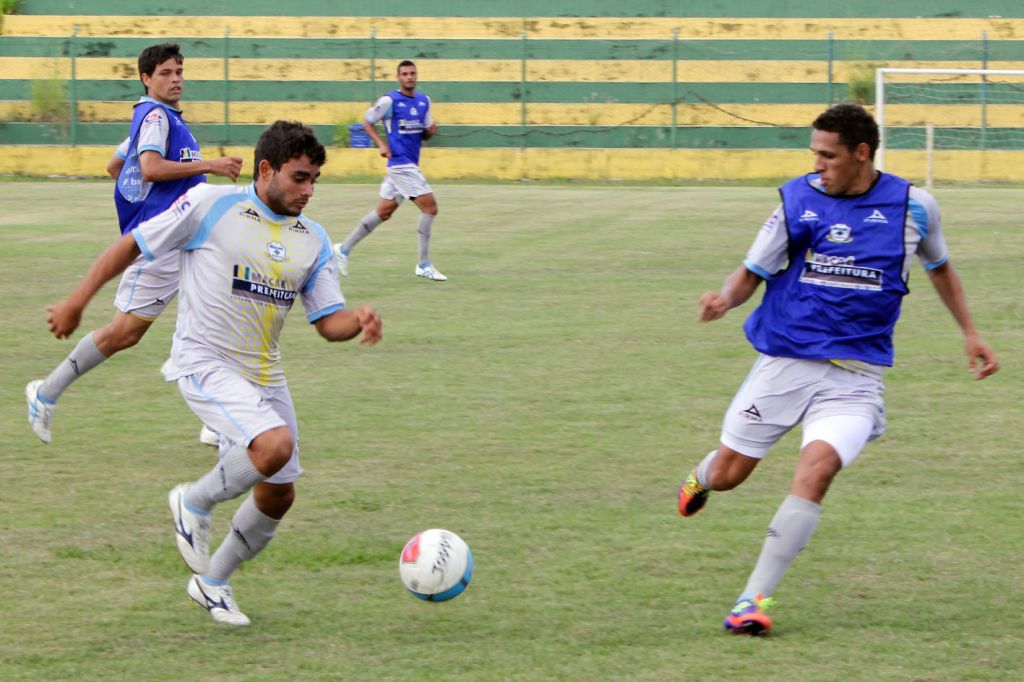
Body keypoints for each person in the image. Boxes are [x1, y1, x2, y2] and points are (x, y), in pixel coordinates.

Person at [676, 103, 999, 636]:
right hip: (785, 363)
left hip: (855, 376)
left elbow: (940, 268)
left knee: (817, 470)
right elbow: (751, 272)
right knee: (731, 475)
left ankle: (751, 600)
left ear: (862, 153)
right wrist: (724, 301)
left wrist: (970, 332)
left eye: (828, 156)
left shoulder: (914, 207)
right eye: (814, 155)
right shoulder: (796, 201)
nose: (818, 165)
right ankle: (702, 475)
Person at [44, 120, 383, 626]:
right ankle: (193, 500)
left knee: (278, 491)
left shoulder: (312, 239)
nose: (308, 190)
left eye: (314, 179)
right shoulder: (211, 206)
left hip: (264, 374)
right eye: (298, 178)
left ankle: (213, 581)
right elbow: (133, 244)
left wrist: (355, 321)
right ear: (265, 169)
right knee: (275, 448)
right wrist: (77, 301)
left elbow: (325, 322)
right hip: (204, 361)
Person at [26, 42, 243, 446]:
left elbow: (118, 165)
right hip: (160, 239)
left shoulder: (158, 118)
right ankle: (45, 391)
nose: (175, 78)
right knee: (124, 333)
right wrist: (209, 165)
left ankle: (220, 421)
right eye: (165, 73)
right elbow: (149, 167)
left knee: (220, 313)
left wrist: (141, 191)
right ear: (146, 79)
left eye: (179, 71)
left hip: (189, 238)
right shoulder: (157, 117)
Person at [333, 59, 447, 281]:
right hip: (400, 165)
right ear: (398, 77)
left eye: (412, 73)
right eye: (404, 73)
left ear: (417, 76)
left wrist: (430, 132)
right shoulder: (390, 100)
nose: (409, 77)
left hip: (409, 164)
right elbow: (367, 122)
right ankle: (423, 264)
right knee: (430, 208)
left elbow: (422, 133)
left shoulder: (424, 102)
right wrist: (381, 144)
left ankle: (343, 250)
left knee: (383, 213)